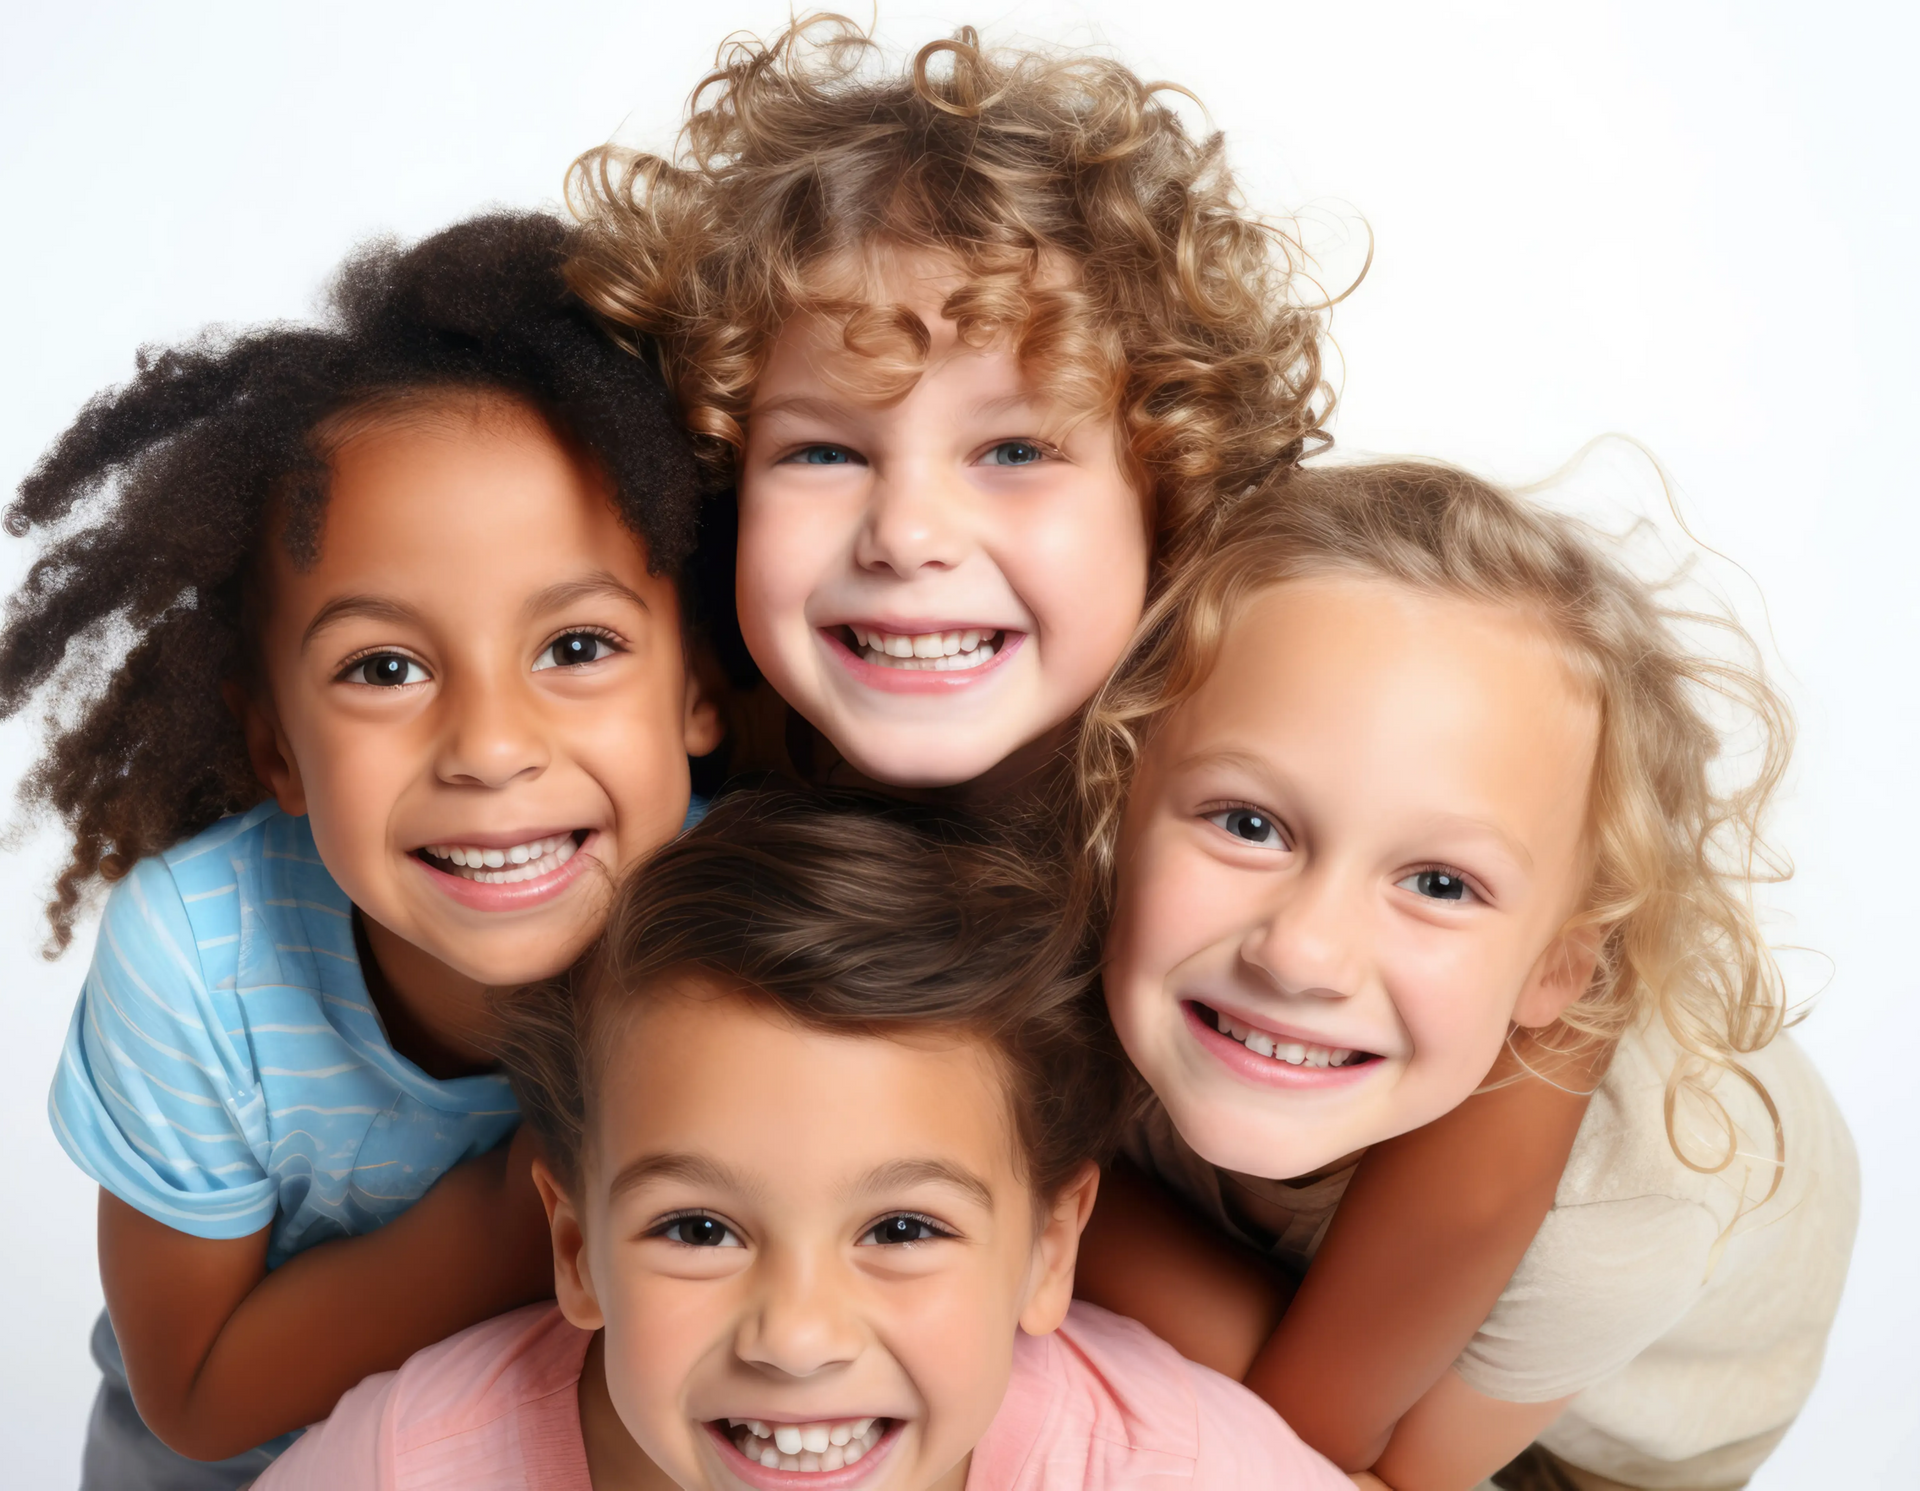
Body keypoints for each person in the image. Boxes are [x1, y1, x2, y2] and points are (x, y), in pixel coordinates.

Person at [566, 16, 1600, 1464]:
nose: (909, 533)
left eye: (1016, 448)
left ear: (1169, 491)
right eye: (823, 449)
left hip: (1579, 1347)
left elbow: (1309, 1419)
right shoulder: (736, 774)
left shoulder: (1278, 743)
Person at [0, 212, 723, 1487]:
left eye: (577, 647)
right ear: (275, 743)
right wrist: (513, 1217)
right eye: (384, 668)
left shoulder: (759, 913)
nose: (492, 748)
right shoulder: (200, 957)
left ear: (698, 685)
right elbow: (199, 1396)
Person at [1071, 461, 1858, 1490]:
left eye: (1439, 882)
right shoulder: (1088, 924)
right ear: (1111, 797)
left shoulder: (1628, 1200)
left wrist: (1057, 1198)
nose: (1303, 952)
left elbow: (1340, 1464)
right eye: (1250, 824)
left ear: (1560, 967)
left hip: (1586, 1454)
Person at [255, 788, 1352, 1490]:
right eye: (697, 1228)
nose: (797, 1337)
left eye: (904, 1227)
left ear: (1049, 1250)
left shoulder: (1171, 1468)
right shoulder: (409, 1465)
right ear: (578, 1249)